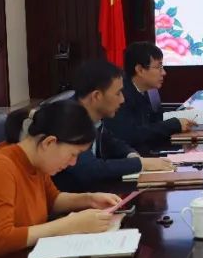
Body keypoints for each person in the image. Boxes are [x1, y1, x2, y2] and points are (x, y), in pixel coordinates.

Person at [0, 101, 123, 258]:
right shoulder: (0, 167)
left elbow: (52, 200)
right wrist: (71, 225)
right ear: (49, 142)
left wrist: (89, 199)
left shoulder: (36, 162)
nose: (73, 163)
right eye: (73, 154)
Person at [52, 59, 173, 192]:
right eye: (118, 93)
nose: (122, 99)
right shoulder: (67, 119)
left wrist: (131, 155)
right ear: (97, 96)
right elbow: (89, 169)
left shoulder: (92, 115)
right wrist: (139, 164)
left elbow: (110, 141)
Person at [105, 42, 195, 152]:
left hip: (149, 149)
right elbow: (130, 135)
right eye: (158, 67)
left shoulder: (147, 90)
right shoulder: (120, 94)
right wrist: (174, 124)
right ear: (140, 70)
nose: (164, 73)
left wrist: (181, 114)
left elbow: (155, 118)